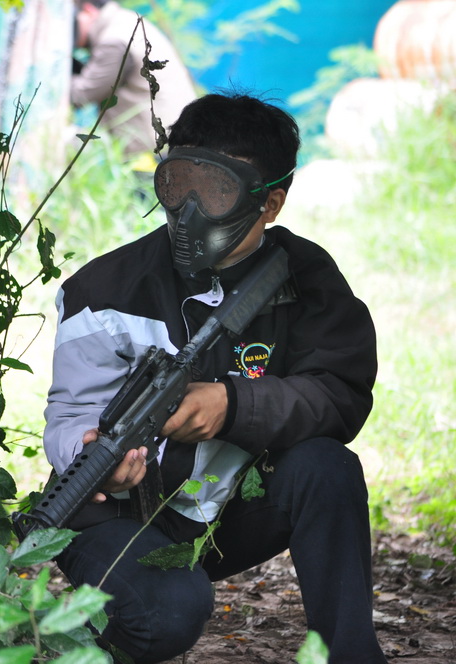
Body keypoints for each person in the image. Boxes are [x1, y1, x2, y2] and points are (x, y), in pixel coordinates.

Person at [43, 93, 386, 663]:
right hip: (112, 515)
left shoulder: (307, 279)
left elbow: (339, 393)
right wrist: (96, 456)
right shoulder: (102, 291)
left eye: (216, 190)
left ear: (270, 202)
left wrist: (233, 405)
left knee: (328, 468)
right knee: (167, 613)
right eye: (178, 185)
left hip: (229, 512)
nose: (190, 211)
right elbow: (69, 417)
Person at [72, 1, 197, 158]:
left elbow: (82, 94)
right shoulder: (125, 22)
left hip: (157, 149)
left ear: (89, 10)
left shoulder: (114, 40)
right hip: (176, 138)